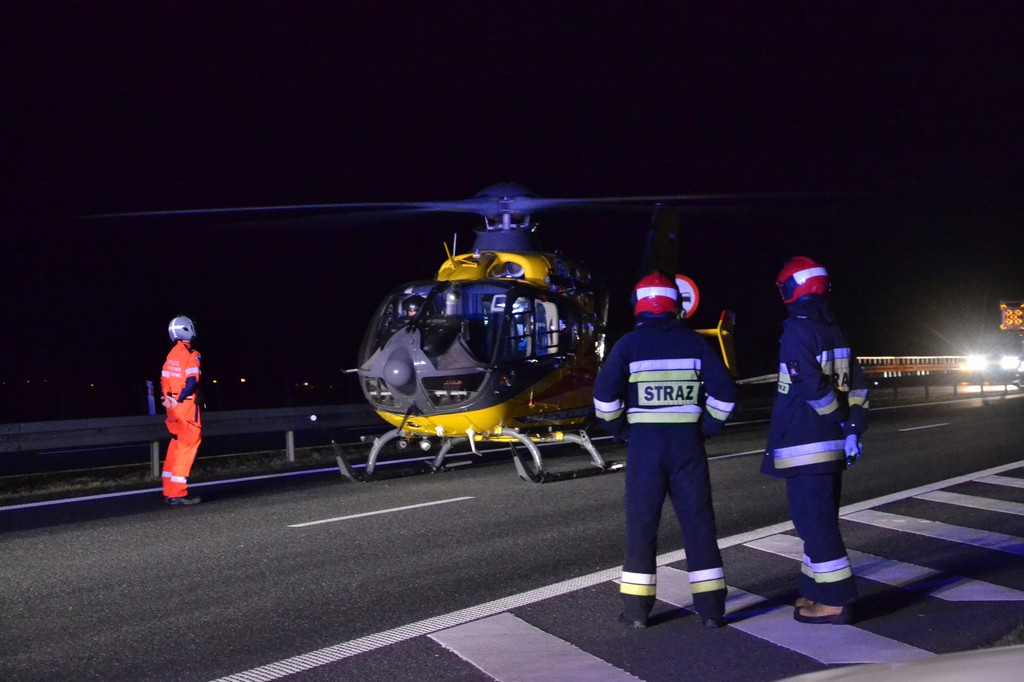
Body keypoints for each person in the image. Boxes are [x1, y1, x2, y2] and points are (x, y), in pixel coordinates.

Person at [594, 271, 737, 629]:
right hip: (687, 444)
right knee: (699, 526)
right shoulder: (694, 343)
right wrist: (706, 428)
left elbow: (603, 400)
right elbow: (725, 394)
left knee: (642, 527)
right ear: (675, 305)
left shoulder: (627, 345)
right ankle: (711, 611)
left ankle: (637, 612)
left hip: (645, 446)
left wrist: (622, 431)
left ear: (639, 304)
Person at [764, 257, 869, 624]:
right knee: (817, 520)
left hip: (806, 445)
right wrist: (852, 426)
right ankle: (814, 590)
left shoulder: (798, 331)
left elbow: (810, 386)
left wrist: (837, 420)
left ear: (792, 290)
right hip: (831, 447)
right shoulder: (834, 331)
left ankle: (836, 602)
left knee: (815, 524)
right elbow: (858, 385)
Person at [160, 315, 203, 506]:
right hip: (185, 406)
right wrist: (179, 399)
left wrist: (170, 400)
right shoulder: (191, 354)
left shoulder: (171, 355)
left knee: (176, 443)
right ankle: (178, 491)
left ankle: (169, 489)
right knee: (188, 444)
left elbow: (164, 380)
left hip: (172, 408)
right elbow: (192, 381)